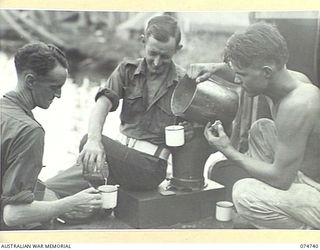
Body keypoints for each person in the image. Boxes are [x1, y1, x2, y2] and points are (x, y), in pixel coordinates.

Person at [45, 14, 193, 198]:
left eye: (165, 56)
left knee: (87, 147)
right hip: (119, 159)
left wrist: (189, 130)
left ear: (177, 49)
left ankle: (52, 193)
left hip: (150, 168)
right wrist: (94, 140)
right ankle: (44, 192)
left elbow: (199, 128)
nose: (157, 62)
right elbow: (102, 105)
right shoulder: (126, 70)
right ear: (143, 42)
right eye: (152, 53)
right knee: (74, 166)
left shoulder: (185, 83)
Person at [190, 22, 320, 229]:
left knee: (244, 193)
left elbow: (281, 179)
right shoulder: (287, 79)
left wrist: (227, 149)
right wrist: (213, 68)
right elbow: (250, 72)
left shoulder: (297, 104)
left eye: (241, 75)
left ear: (267, 72)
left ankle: (306, 235)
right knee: (261, 129)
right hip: (299, 174)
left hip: (313, 189)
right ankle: (285, 209)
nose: (237, 80)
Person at [0, 42, 102, 230]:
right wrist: (69, 203)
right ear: (30, 81)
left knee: (73, 178)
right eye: (54, 87)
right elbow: (12, 215)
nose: (59, 95)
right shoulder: (29, 131)